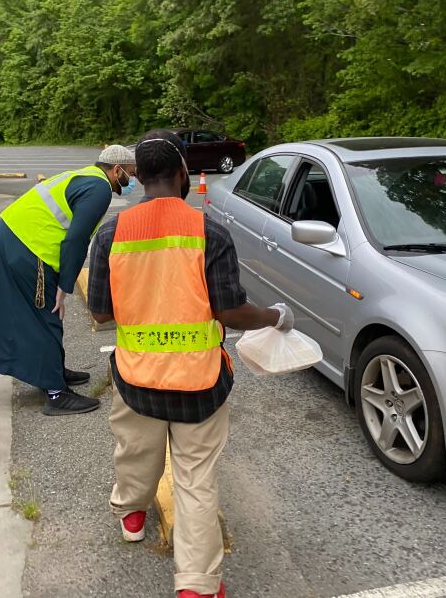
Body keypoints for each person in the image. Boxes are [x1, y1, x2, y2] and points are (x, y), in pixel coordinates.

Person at [86, 129, 293, 598]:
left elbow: (100, 312)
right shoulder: (210, 232)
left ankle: (132, 516)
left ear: (139, 176)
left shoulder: (112, 233)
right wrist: (275, 316)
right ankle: (198, 586)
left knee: (136, 453)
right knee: (196, 480)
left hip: (136, 377)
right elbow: (231, 311)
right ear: (182, 174)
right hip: (201, 382)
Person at [0, 145, 137, 416]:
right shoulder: (99, 189)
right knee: (47, 314)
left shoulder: (86, 176)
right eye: (130, 174)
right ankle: (56, 393)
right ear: (117, 170)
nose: (133, 180)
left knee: (41, 315)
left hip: (14, 236)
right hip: (27, 245)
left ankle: (52, 373)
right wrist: (65, 286)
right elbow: (75, 240)